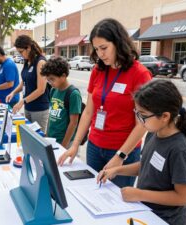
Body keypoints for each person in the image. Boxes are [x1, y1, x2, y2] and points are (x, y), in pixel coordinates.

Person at [58, 18, 152, 188]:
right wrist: (75, 144)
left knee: (116, 202)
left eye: (104, 48)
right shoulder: (98, 70)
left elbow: (142, 124)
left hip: (123, 151)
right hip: (95, 146)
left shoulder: (139, 74)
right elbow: (88, 113)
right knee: (93, 194)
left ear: (118, 43)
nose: (100, 54)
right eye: (96, 49)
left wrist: (120, 156)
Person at [99, 80, 186, 225]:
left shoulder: (180, 150)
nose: (139, 121)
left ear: (165, 116)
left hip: (167, 219)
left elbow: (183, 197)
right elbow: (147, 166)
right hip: (146, 211)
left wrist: (139, 194)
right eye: (137, 113)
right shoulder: (153, 133)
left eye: (143, 115)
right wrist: (117, 170)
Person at [6, 35, 49, 132]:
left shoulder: (40, 62)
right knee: (29, 137)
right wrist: (13, 93)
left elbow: (41, 89)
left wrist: (22, 101)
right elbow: (24, 81)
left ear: (28, 48)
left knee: (38, 139)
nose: (20, 54)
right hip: (28, 107)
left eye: (21, 52)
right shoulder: (27, 61)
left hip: (39, 109)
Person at [40, 57, 82, 148]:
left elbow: (73, 123)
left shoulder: (73, 94)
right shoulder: (53, 90)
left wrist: (64, 145)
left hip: (65, 141)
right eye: (48, 80)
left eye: (52, 79)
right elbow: (51, 115)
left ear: (63, 76)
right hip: (52, 138)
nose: (50, 82)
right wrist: (47, 134)